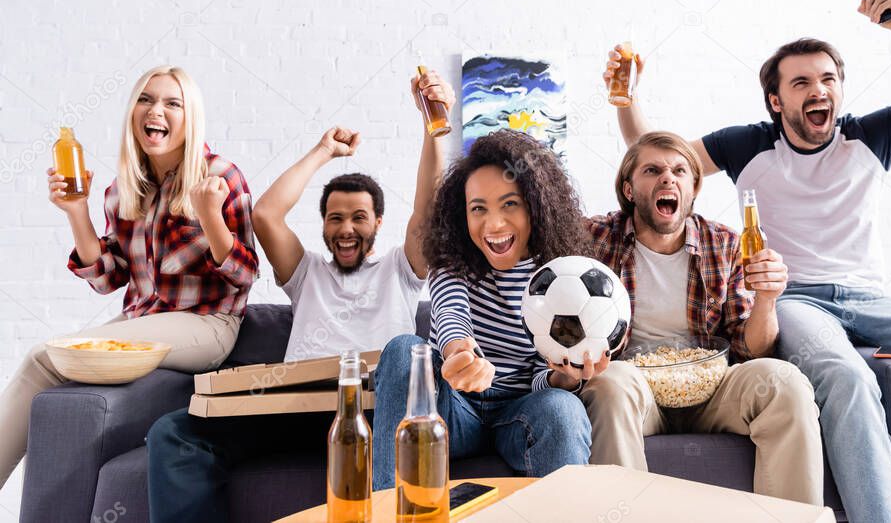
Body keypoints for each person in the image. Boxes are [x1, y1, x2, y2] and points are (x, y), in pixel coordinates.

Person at [604, 0, 891, 523]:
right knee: (848, 379)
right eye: (801, 82)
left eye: (828, 79)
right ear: (777, 101)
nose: (818, 89)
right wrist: (626, 100)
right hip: (796, 300)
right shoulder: (748, 144)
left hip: (872, 300)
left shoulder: (872, 136)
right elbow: (662, 162)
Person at [146, 70, 454, 523]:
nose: (346, 229)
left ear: (379, 223)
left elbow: (428, 210)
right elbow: (266, 213)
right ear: (324, 225)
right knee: (173, 434)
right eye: (334, 218)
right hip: (294, 412)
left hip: (373, 413)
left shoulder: (401, 271)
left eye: (359, 218)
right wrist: (324, 151)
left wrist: (431, 128)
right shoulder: (306, 272)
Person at [0, 65, 258, 489]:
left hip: (209, 324)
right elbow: (107, 277)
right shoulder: (124, 190)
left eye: (172, 103)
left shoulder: (220, 176)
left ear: (189, 117)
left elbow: (245, 275)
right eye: (146, 99)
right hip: (145, 321)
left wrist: (211, 217)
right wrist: (77, 212)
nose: (156, 110)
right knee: (42, 360)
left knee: (53, 356)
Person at [578, 131, 823, 505]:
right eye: (652, 170)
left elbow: (751, 346)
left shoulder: (724, 243)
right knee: (609, 381)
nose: (667, 178)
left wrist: (768, 300)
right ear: (629, 190)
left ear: (692, 188)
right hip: (638, 393)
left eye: (680, 170)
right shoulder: (595, 238)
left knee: (785, 381)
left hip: (711, 389)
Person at [371, 129, 592, 490]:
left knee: (562, 408)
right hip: (453, 412)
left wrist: (565, 376)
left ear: (535, 207)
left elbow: (542, 381)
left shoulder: (561, 277)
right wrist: (461, 355)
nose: (493, 225)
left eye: (509, 204)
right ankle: (387, 510)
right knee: (402, 350)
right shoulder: (452, 259)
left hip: (521, 414)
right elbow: (450, 316)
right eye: (478, 209)